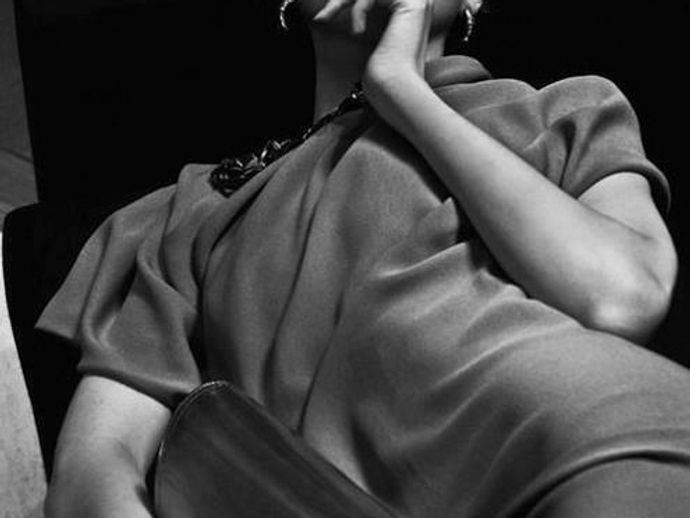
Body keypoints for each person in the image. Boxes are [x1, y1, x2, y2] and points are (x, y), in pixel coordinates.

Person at [37, 0, 690, 517]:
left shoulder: (562, 112)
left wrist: (400, 88)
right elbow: (91, 472)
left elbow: (621, 296)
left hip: (599, 442)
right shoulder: (185, 211)